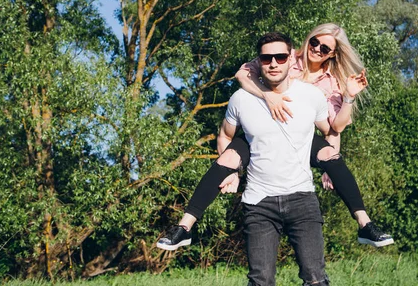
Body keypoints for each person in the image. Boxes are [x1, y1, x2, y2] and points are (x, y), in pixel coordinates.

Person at [157, 24, 393, 252]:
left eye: (325, 48)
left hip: (299, 138)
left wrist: (330, 163)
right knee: (227, 158)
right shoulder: (284, 56)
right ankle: (184, 227)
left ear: (332, 54)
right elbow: (242, 74)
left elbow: (334, 127)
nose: (317, 49)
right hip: (262, 130)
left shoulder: (331, 83)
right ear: (308, 40)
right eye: (315, 42)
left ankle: (365, 224)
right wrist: (268, 96)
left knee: (330, 154)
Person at [168, 32, 332, 285]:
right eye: (267, 58)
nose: (274, 63)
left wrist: (329, 165)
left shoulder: (310, 96)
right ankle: (185, 226)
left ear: (291, 59)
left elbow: (330, 130)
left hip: (302, 200)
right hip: (259, 203)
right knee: (260, 280)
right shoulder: (241, 99)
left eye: (280, 57)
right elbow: (225, 135)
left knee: (315, 278)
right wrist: (233, 172)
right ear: (259, 61)